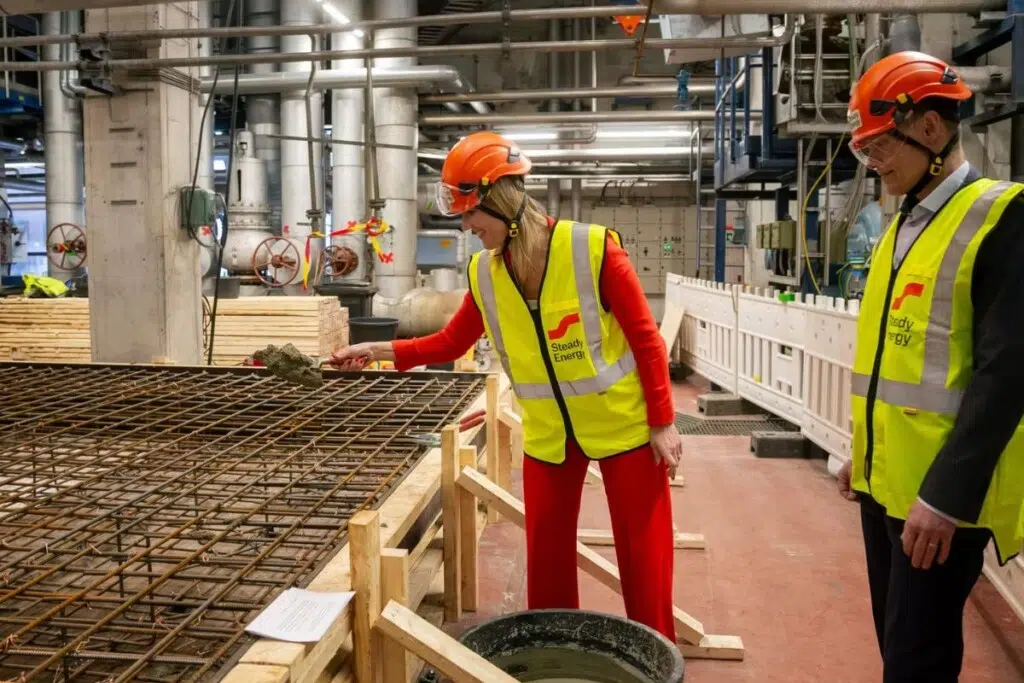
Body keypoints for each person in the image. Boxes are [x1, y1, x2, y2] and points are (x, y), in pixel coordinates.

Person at [329, 131, 682, 641]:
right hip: (548, 437)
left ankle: (654, 658)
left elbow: (648, 341)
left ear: (504, 202)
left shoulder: (591, 249)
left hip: (626, 428)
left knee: (643, 558)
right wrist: (377, 351)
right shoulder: (484, 273)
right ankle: (558, 654)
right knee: (546, 559)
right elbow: (451, 343)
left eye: (473, 214)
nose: (467, 227)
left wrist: (663, 423)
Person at [839, 50, 1024, 682]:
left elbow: (1006, 374)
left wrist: (945, 497)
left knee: (918, 662)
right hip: (883, 484)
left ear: (930, 129)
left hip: (936, 501)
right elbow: (898, 359)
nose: (873, 164)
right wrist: (860, 455)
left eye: (879, 147)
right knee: (897, 649)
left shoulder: (1001, 217)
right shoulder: (904, 226)